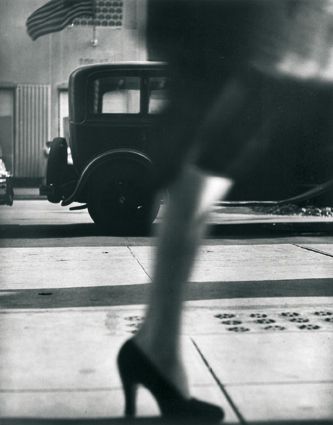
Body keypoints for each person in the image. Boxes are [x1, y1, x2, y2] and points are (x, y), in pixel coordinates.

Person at [117, 0, 333, 421]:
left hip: (234, 23)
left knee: (207, 164)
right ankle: (156, 349)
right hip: (231, 20)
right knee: (204, 159)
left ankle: (156, 346)